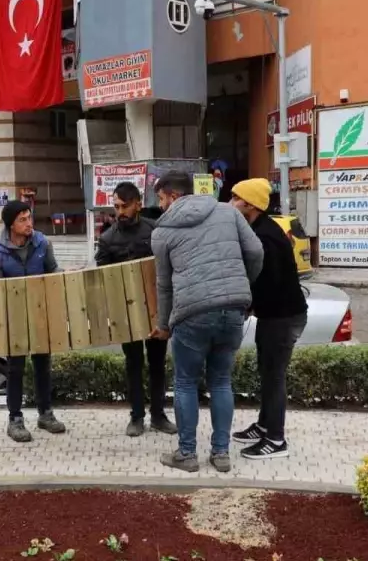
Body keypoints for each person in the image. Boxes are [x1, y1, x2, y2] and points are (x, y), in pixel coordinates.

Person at [149, 171, 262, 474]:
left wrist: (163, 324)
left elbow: (164, 285)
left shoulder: (162, 231)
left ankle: (187, 454)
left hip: (191, 312)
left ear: (173, 196)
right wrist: (242, 288)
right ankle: (221, 453)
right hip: (233, 309)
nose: (160, 206)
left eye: (161, 199)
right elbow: (255, 251)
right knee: (221, 381)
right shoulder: (228, 212)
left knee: (185, 383)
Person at [228, 179, 307, 460]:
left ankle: (275, 439)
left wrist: (246, 304)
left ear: (249, 204)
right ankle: (264, 425)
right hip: (275, 315)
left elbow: (268, 283)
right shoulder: (258, 229)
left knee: (274, 376)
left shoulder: (265, 238)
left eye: (235, 198)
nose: (230, 203)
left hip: (283, 317)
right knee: (267, 372)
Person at [95, 181, 175, 438]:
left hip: (155, 310)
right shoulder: (107, 239)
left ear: (138, 204)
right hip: (125, 313)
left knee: (157, 364)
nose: (120, 211)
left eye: (125, 206)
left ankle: (159, 415)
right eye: (116, 206)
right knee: (133, 364)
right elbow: (102, 277)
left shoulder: (156, 230)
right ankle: (137, 416)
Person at [0, 200, 66, 443]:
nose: (29, 223)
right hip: (14, 319)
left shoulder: (42, 243)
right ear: (11, 224)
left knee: (43, 365)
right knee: (15, 369)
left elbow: (53, 272)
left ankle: (45, 414)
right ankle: (15, 419)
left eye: (29, 218)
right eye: (22, 220)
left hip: (41, 314)